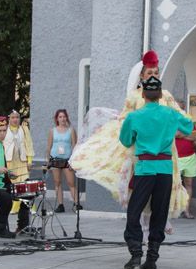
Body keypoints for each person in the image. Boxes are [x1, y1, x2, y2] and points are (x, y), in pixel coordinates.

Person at [71, 49, 188, 217]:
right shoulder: (134, 97)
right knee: (139, 195)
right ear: (142, 75)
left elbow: (180, 118)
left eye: (156, 72)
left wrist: (176, 131)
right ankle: (139, 231)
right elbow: (125, 121)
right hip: (141, 152)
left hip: (165, 151)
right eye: (149, 72)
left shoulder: (166, 96)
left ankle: (156, 231)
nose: (153, 75)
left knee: (162, 195)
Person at [120, 76, 193, 269]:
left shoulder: (134, 116)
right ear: (160, 95)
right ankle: (152, 257)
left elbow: (126, 141)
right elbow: (188, 126)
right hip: (165, 169)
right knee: (159, 213)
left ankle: (136, 252)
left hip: (145, 168)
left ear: (143, 94)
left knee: (134, 211)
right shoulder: (170, 113)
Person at [46, 109, 80, 213]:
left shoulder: (71, 130)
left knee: (71, 182)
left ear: (67, 118)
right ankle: (60, 205)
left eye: (64, 116)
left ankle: (76, 203)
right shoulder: (53, 131)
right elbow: (49, 146)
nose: (62, 119)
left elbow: (75, 146)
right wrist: (48, 160)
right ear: (57, 119)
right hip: (55, 159)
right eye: (60, 117)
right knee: (57, 182)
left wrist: (74, 161)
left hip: (67, 160)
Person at [175, 100, 196, 219]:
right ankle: (173, 211)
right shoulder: (170, 121)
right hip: (176, 157)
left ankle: (186, 210)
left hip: (190, 157)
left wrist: (182, 134)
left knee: (189, 184)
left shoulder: (189, 121)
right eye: (178, 108)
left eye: (182, 109)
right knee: (174, 185)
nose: (181, 111)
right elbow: (174, 134)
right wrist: (187, 134)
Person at [5, 110, 34, 183]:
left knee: (22, 183)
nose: (15, 119)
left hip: (22, 161)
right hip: (8, 162)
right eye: (13, 117)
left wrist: (29, 161)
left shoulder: (24, 129)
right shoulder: (4, 129)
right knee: (10, 182)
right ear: (9, 119)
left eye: (17, 117)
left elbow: (29, 145)